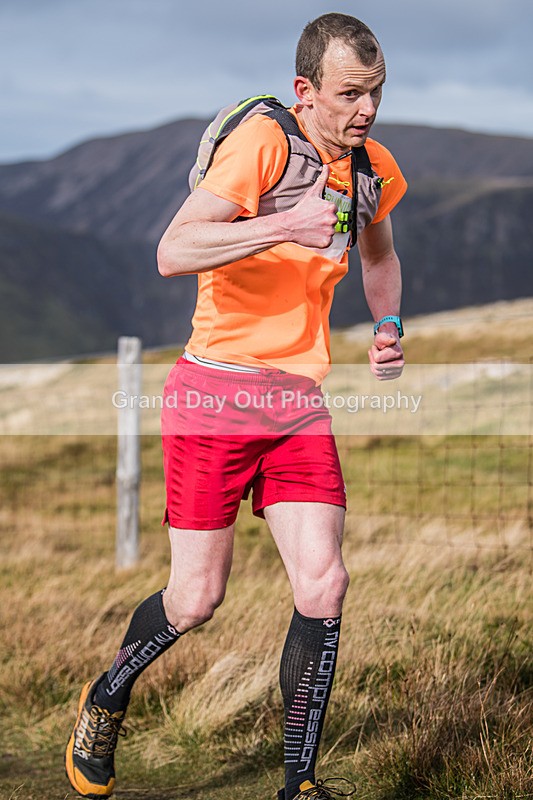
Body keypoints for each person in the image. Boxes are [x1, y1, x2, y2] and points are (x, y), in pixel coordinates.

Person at [65, 12, 407, 800]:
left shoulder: (370, 167)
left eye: (375, 93)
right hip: (214, 392)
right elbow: (170, 252)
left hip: (296, 402)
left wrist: (387, 327)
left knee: (323, 584)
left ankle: (297, 783)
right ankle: (106, 697)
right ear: (305, 90)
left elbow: (381, 256)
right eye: (349, 93)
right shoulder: (262, 144)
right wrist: (282, 223)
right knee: (195, 600)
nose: (365, 111)